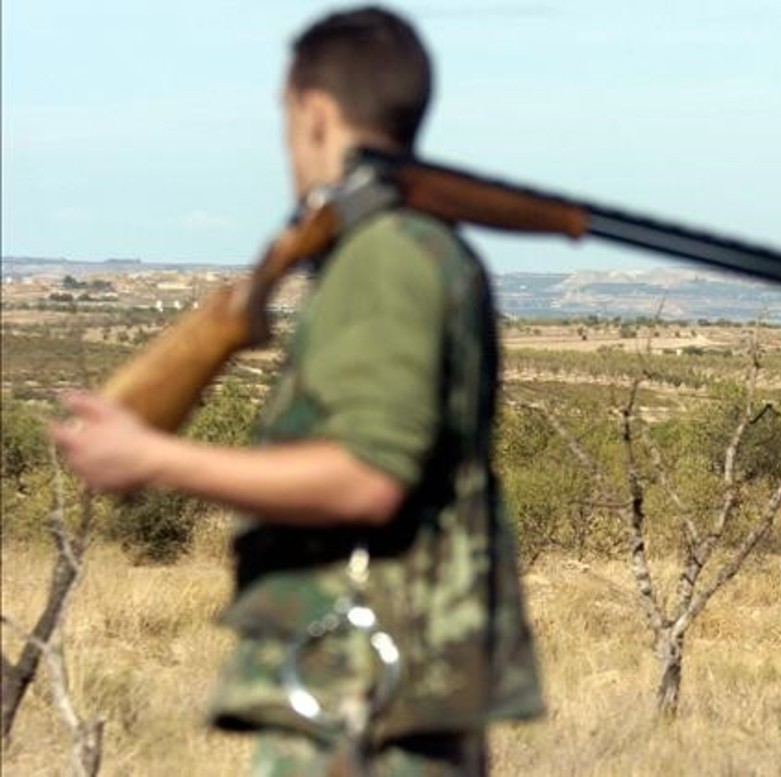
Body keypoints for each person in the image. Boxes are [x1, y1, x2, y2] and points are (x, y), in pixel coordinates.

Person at [50, 6, 543, 774]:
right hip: (373, 690)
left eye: (284, 121)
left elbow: (367, 476)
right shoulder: (410, 248)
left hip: (361, 700)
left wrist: (152, 455)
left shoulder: (386, 256)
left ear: (315, 113)